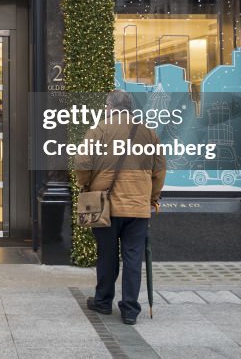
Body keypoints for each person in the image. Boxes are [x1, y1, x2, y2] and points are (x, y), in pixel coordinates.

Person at [75, 90, 166, 325]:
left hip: (106, 204)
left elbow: (83, 161)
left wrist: (84, 184)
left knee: (106, 255)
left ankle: (103, 302)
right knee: (134, 257)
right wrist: (152, 198)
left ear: (110, 107)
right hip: (138, 206)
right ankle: (130, 309)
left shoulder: (99, 130)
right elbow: (159, 171)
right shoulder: (149, 133)